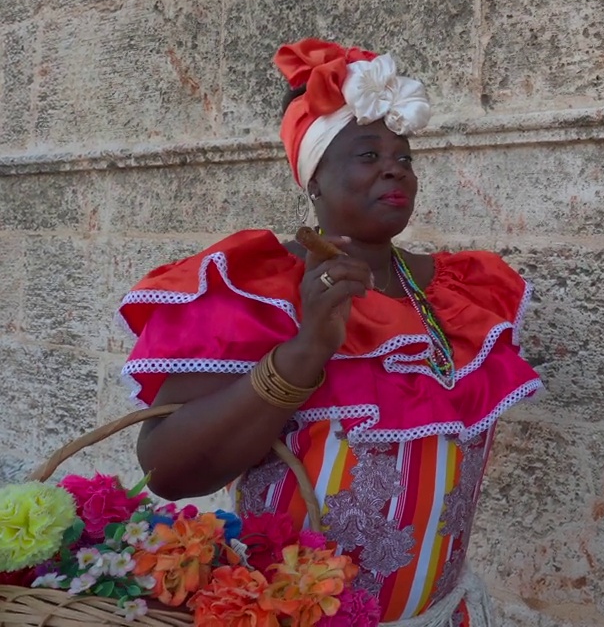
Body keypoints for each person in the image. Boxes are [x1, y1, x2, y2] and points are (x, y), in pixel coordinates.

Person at [117, 38, 543, 625]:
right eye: (367, 155)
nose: (395, 167)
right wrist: (305, 350)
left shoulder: (463, 293)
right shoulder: (253, 289)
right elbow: (166, 469)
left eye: (405, 156)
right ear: (314, 178)